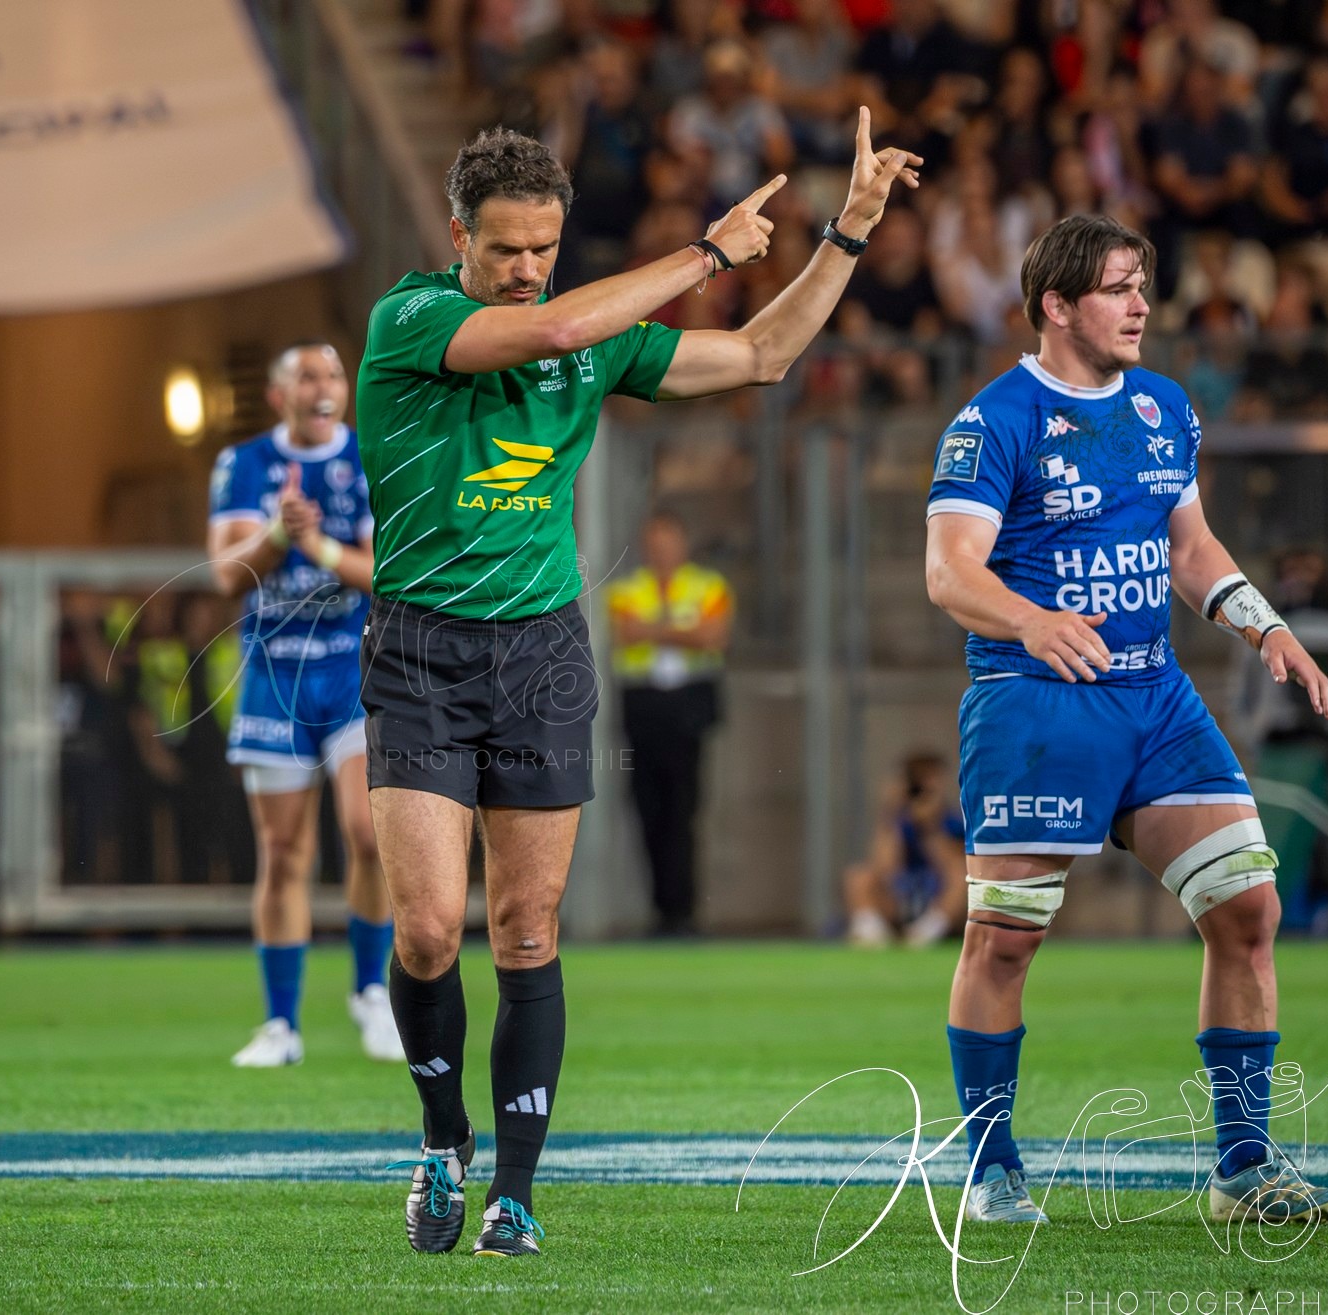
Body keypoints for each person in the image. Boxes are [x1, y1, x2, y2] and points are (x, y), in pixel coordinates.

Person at [357, 110, 921, 1257]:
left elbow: (761, 355)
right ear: (456, 233)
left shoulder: (596, 334)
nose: (524, 271)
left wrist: (845, 237)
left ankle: (514, 1190)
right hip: (419, 649)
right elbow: (563, 323)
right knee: (423, 930)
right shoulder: (410, 318)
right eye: (504, 248)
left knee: (524, 928)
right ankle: (439, 1136)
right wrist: (705, 254)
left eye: (541, 247)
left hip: (539, 653)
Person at [923, 213, 1328, 1226]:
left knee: (1246, 909)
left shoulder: (1163, 407)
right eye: (1117, 288)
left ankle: (1242, 1169)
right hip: (1035, 703)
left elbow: (1188, 543)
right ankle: (990, 1168)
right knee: (1002, 941)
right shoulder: (993, 421)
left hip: (1154, 696)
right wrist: (1030, 621)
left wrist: (1261, 626)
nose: (1138, 306)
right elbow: (949, 572)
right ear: (1055, 306)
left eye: (1140, 287)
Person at [206, 342, 404, 1068]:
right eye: (308, 377)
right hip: (273, 673)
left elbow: (385, 574)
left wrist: (315, 544)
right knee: (284, 850)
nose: (325, 388)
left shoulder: (372, 456)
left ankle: (370, 993)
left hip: (352, 669)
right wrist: (275, 534)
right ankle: (280, 1024)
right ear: (278, 394)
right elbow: (227, 574)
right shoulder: (243, 464)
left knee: (369, 831)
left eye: (333, 375)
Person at [607, 510, 734, 935]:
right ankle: (661, 907)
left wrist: (654, 629)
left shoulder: (708, 585)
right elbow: (627, 633)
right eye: (654, 544)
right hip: (644, 703)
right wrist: (683, 628)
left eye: (668, 543)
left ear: (681, 545)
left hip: (687, 704)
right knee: (647, 808)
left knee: (683, 808)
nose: (661, 552)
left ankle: (683, 909)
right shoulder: (628, 589)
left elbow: (712, 636)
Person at [844, 751, 966, 948]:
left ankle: (924, 937)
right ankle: (873, 937)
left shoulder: (955, 821)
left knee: (961, 876)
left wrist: (930, 828)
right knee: (859, 876)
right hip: (902, 898)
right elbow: (884, 869)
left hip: (937, 900)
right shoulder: (896, 822)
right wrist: (890, 815)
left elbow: (956, 868)